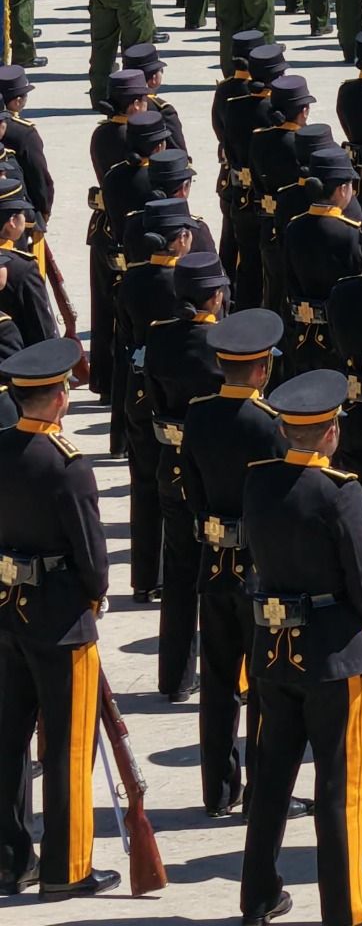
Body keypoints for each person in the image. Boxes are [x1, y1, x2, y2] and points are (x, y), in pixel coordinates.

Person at [237, 367, 362, 926]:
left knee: (271, 777)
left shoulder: (259, 480)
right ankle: (346, 907)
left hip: (273, 646)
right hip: (329, 649)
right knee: (338, 785)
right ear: (330, 432)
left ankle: (258, 895)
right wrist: (359, 627)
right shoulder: (340, 492)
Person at [0, 336, 115, 897]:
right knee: (68, 746)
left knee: (7, 740)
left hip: (5, 611)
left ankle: (9, 857)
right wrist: (93, 601)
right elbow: (93, 560)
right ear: (61, 398)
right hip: (60, 618)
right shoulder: (67, 465)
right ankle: (66, 868)